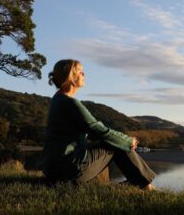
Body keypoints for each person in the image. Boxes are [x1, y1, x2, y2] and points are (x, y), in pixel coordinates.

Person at [42, 59, 155, 189]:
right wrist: (128, 140)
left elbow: (93, 131)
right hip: (68, 171)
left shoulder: (57, 100)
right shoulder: (70, 103)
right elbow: (97, 130)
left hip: (53, 170)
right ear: (71, 77)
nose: (84, 75)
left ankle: (140, 182)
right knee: (115, 143)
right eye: (80, 72)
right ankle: (145, 184)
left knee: (113, 140)